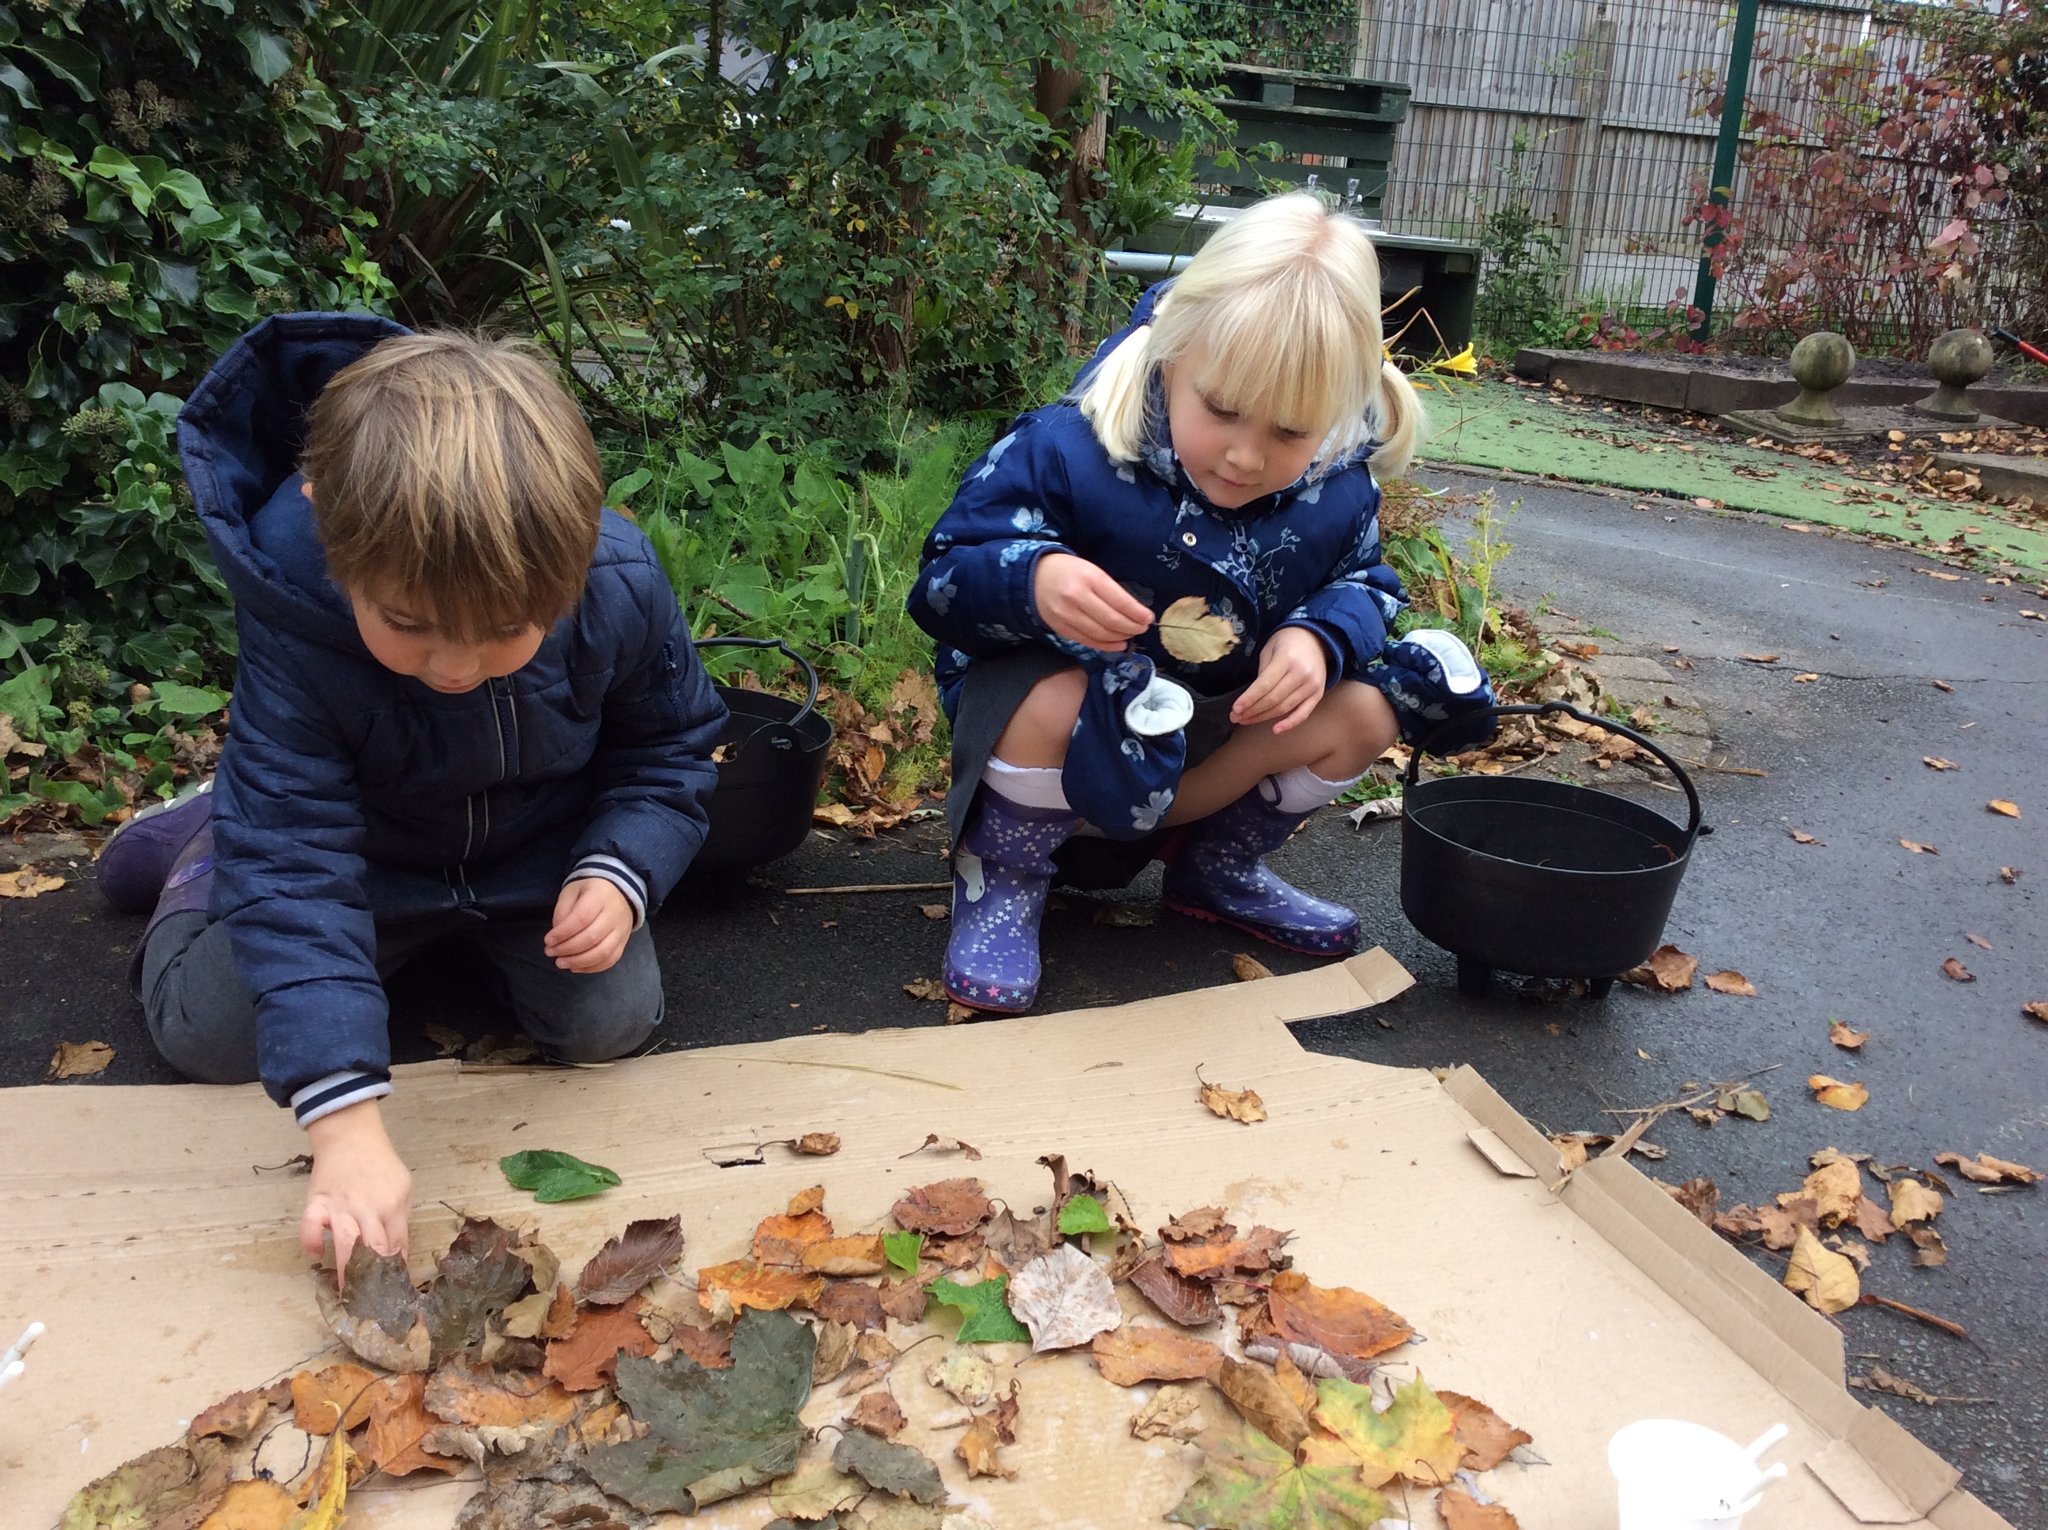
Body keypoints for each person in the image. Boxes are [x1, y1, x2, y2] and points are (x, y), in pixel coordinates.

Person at [96, 314, 726, 1274]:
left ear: (574, 554)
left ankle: (437, 935)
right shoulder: (298, 618)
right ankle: (205, 843)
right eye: (410, 625)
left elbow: (670, 746)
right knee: (212, 1034)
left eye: (507, 630)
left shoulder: (618, 584)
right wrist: (344, 1128)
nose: (457, 668)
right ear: (331, 524)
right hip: (362, 859)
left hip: (528, 860)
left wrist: (621, 868)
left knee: (611, 1022)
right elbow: (297, 856)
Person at [908, 191, 1494, 1012]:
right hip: (1070, 726)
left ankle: (1213, 867)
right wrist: (1031, 580)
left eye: (1292, 433)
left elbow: (1367, 584)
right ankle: (1004, 878)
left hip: (1213, 724)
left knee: (1366, 708)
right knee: (1054, 692)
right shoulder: (1067, 446)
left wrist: (1318, 639)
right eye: (1221, 411)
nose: (1248, 456)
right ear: (1171, 355)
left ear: (1339, 411)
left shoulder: (1341, 486)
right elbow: (943, 578)